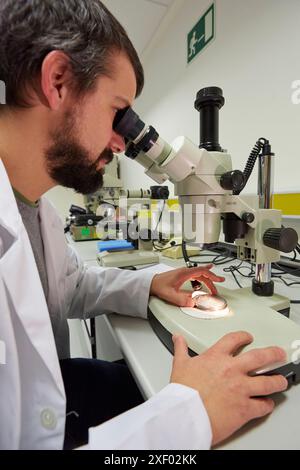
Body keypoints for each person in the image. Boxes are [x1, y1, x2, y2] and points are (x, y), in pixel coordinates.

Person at [0, 0, 288, 450]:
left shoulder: (34, 209)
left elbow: (72, 288)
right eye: (119, 113)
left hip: (51, 392)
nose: (121, 143)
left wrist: (152, 284)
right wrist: (185, 421)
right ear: (57, 81)